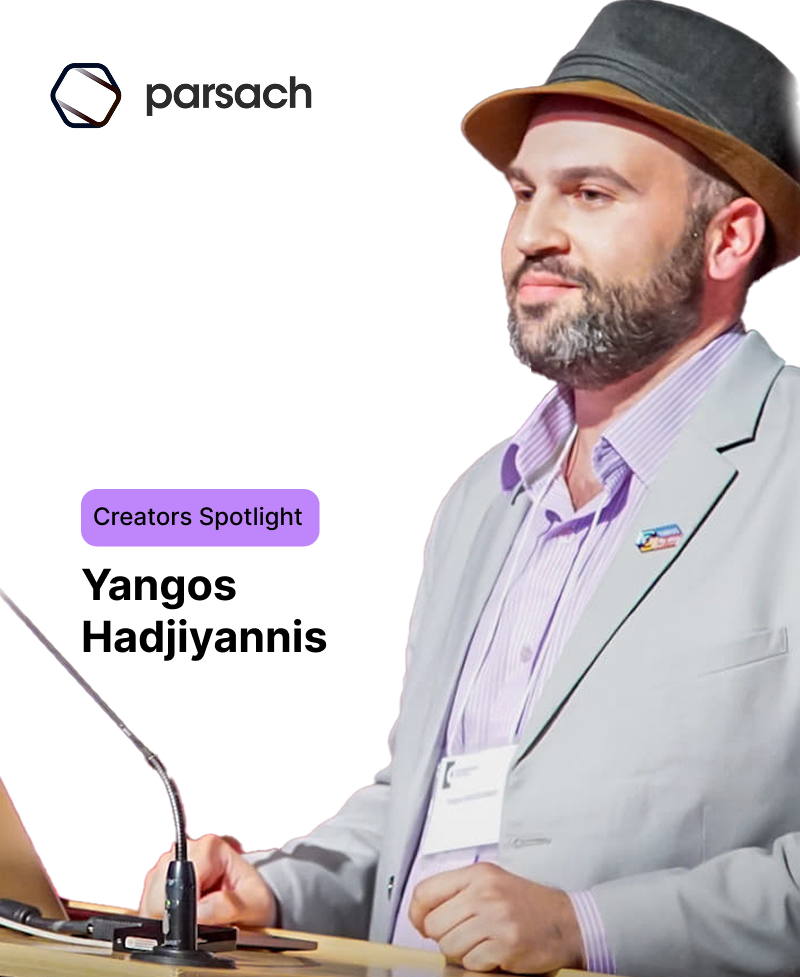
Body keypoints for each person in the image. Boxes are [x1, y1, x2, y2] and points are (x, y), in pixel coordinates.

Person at [139, 3, 800, 974]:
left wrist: (591, 926)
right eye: (522, 193)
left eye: (589, 194)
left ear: (728, 238)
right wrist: (281, 884)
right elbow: (431, 805)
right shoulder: (479, 502)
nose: (531, 233)